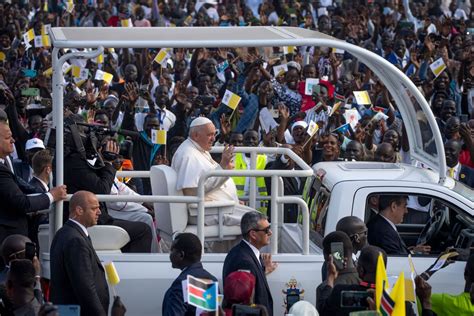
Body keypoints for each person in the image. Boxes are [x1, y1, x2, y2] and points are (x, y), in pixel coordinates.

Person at [50, 191, 125, 316]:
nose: (99, 212)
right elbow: (85, 288)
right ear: (79, 210)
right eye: (94, 208)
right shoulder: (75, 240)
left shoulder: (67, 233)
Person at [171, 117, 251, 226]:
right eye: (209, 135)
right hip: (207, 212)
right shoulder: (188, 155)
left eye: (215, 134)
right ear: (195, 135)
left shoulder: (199, 148)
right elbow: (192, 193)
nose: (214, 139)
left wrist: (234, 199)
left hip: (219, 208)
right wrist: (222, 168)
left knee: (257, 219)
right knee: (257, 222)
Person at [0, 121, 67, 244]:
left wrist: (40, 194)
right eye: (8, 137)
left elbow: (17, 183)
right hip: (8, 239)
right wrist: (52, 195)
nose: (13, 141)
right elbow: (22, 202)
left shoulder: (7, 160)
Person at [223, 211, 277, 315]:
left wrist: (263, 270)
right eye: (266, 230)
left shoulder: (243, 253)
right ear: (253, 234)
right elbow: (245, 303)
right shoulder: (244, 261)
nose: (270, 233)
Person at [317, 246, 387, 316]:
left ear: (361, 270)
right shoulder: (389, 299)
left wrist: (330, 277)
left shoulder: (340, 292)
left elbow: (322, 310)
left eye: (357, 264)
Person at [162, 232, 217, 316]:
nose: (170, 254)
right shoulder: (212, 280)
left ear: (181, 255)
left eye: (172, 250)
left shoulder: (181, 284)